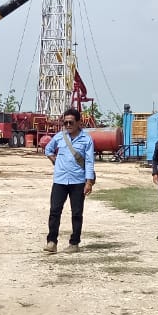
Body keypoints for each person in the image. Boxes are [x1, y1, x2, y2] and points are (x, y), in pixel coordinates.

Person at [43, 107, 95, 253]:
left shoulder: (86, 139)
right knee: (54, 211)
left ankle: (74, 243)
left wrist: (89, 182)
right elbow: (48, 149)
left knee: (77, 213)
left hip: (78, 181)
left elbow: (89, 161)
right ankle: (51, 242)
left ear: (78, 122)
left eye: (71, 122)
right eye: (65, 123)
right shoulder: (60, 137)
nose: (67, 125)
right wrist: (53, 159)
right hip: (60, 180)